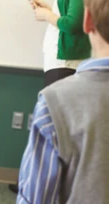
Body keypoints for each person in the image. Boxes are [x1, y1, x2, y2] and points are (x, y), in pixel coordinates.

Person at [17, 0, 109, 202]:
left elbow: (36, 197)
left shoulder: (55, 101)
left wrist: (47, 15)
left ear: (89, 21)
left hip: (64, 66)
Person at [32, 0, 91, 86]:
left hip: (65, 64)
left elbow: (72, 24)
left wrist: (47, 15)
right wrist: (50, 11)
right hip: (62, 64)